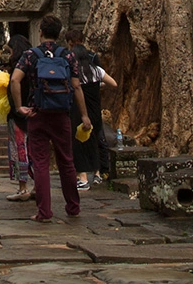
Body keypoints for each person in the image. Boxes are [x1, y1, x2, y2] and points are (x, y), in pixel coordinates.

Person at [10, 16, 82, 222]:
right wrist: (84, 115)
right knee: (66, 161)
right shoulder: (67, 55)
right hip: (61, 114)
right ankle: (73, 206)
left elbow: (15, 80)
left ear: (40, 32)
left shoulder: (30, 55)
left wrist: (19, 107)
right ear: (59, 33)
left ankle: (44, 212)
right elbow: (76, 86)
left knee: (41, 163)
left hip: (37, 113)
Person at [75, 35, 119, 188]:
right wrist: (98, 86)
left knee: (80, 142)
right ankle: (97, 173)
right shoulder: (96, 71)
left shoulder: (75, 73)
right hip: (95, 110)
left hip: (80, 111)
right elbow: (113, 83)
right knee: (95, 141)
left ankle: (82, 177)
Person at [0, 54, 29, 201]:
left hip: (19, 116)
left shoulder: (16, 75)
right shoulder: (34, 65)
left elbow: (15, 84)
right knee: (33, 151)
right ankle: (37, 187)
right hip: (34, 113)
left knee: (19, 149)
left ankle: (23, 188)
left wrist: (17, 106)